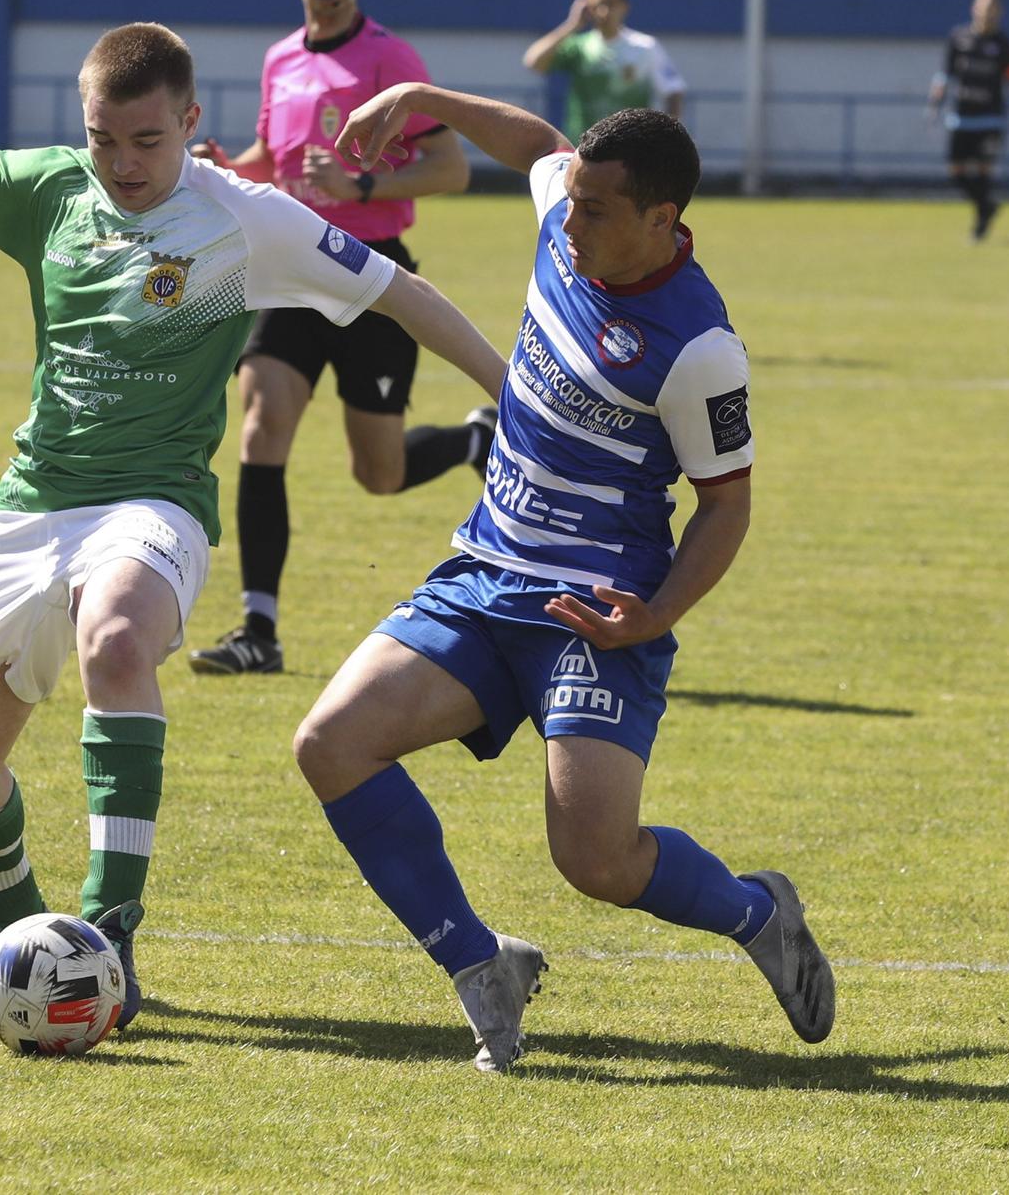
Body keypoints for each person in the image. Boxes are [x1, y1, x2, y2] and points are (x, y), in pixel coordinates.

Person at [0, 23, 506, 1024]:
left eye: (146, 142)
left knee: (116, 641)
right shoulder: (50, 189)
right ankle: (15, 937)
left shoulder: (248, 220)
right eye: (104, 139)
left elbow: (401, 293)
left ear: (191, 124)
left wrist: (515, 394)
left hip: (154, 503)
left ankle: (108, 935)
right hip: (31, 502)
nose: (122, 164)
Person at [292, 84, 834, 1072]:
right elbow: (536, 144)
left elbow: (726, 505)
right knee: (330, 743)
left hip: (594, 612)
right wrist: (421, 99)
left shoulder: (697, 349)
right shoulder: (564, 208)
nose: (568, 220)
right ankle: (477, 963)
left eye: (595, 210)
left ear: (661, 221)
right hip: (484, 574)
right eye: (569, 202)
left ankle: (759, 913)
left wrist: (657, 612)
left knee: (594, 859)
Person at [187, 0, 491, 678]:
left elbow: (451, 169)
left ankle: (472, 441)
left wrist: (359, 183)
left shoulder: (392, 61)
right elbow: (274, 156)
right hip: (290, 271)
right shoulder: (281, 58)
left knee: (378, 472)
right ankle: (259, 629)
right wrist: (239, 167)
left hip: (375, 275)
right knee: (260, 425)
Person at [522, 0, 685, 142]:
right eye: (596, 6)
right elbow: (533, 61)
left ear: (625, 7)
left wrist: (667, 139)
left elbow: (673, 91)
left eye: (611, 4)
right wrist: (572, 25)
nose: (603, 12)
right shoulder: (579, 46)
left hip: (630, 149)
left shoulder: (645, 47)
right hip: (583, 147)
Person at [929, 0, 1009, 242]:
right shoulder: (958, 37)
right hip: (961, 116)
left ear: (999, 12)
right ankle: (987, 207)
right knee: (956, 172)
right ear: (974, 8)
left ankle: (981, 223)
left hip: (991, 118)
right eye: (983, 6)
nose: (987, 12)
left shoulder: (1004, 44)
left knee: (983, 172)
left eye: (992, 7)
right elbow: (944, 74)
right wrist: (935, 101)